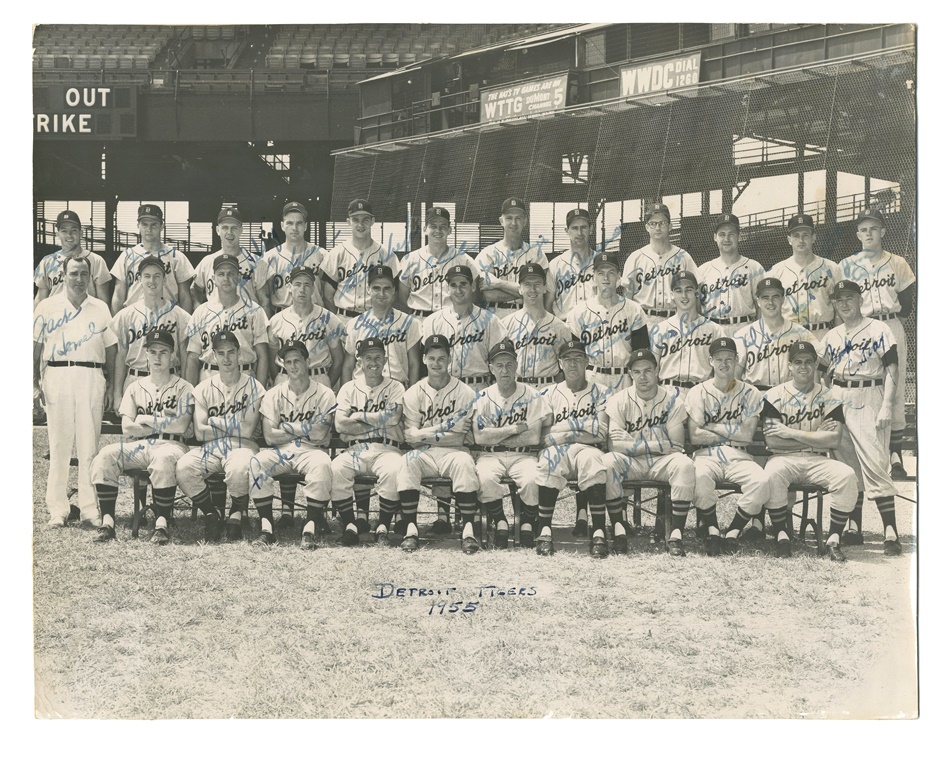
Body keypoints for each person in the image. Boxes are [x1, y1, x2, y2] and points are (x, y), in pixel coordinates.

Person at [818, 280, 902, 555]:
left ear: (859, 299)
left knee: (875, 462)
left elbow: (891, 369)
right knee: (847, 466)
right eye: (839, 299)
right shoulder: (831, 335)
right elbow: (820, 370)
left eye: (849, 298)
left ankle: (891, 531)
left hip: (869, 395)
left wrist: (887, 404)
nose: (844, 304)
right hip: (839, 395)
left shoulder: (879, 329)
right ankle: (854, 528)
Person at [34, 256, 118, 527]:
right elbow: (34, 346)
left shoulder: (100, 308)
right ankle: (58, 509)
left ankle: (89, 508)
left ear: (90, 276)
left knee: (88, 447)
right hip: (57, 375)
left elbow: (112, 349)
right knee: (59, 445)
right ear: (63, 274)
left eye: (84, 274)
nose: (79, 279)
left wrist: (111, 384)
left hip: (92, 376)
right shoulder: (47, 306)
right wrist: (33, 383)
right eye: (73, 273)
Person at [89, 331, 195, 545]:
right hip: (140, 445)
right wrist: (161, 422)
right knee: (105, 456)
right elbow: (127, 427)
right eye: (153, 352)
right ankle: (108, 522)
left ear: (172, 356)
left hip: (172, 444)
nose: (157, 357)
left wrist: (146, 418)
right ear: (146, 355)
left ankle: (162, 523)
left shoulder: (184, 387)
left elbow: (182, 425)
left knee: (163, 458)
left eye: (163, 352)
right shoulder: (135, 387)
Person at [761, 341, 858, 561]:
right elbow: (772, 442)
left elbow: (833, 440)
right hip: (784, 459)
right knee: (772, 474)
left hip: (818, 460)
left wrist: (789, 431)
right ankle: (782, 536)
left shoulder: (830, 396)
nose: (803, 366)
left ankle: (833, 539)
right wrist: (815, 438)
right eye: (798, 362)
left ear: (815, 365)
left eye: (808, 362)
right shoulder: (774, 395)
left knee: (847, 476)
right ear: (790, 366)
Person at [840, 208, 916, 479]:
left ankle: (896, 457)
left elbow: (907, 302)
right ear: (858, 234)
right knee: (869, 387)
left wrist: (893, 324)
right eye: (864, 229)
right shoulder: (846, 265)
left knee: (893, 389)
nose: (869, 233)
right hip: (861, 326)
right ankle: (869, 453)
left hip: (891, 322)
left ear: (883, 231)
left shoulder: (898, 262)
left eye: (873, 228)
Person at [602, 349, 696, 556]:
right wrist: (653, 445)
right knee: (608, 462)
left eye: (647, 371)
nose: (642, 377)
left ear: (657, 371)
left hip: (661, 463)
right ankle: (618, 529)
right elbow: (614, 446)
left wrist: (633, 443)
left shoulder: (672, 401)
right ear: (630, 374)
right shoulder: (618, 400)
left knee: (684, 464)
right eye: (637, 372)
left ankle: (676, 534)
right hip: (632, 462)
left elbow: (677, 444)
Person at [175, 330, 265, 542]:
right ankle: (211, 514)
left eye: (231, 353)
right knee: (184, 468)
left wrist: (215, 421)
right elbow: (200, 432)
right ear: (214, 355)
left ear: (239, 354)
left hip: (243, 446)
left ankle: (235, 512)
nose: (226, 358)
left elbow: (246, 431)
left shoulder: (254, 386)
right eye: (221, 353)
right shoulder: (203, 388)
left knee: (239, 468)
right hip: (212, 447)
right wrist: (231, 424)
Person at [684, 337, 770, 555]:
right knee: (700, 478)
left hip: (739, 456)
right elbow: (695, 436)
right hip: (706, 455)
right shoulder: (697, 392)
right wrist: (733, 433)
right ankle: (713, 531)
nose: (724, 364)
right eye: (719, 359)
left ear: (737, 360)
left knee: (761, 481)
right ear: (711, 361)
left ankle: (732, 532)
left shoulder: (751, 393)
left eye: (729, 359)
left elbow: (747, 435)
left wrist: (712, 425)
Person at [396, 334, 480, 554]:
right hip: (424, 453)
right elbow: (411, 439)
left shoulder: (465, 392)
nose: (436, 363)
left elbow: (459, 438)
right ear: (424, 360)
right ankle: (411, 529)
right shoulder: (414, 392)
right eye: (431, 358)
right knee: (407, 461)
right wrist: (441, 431)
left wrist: (423, 434)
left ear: (449, 359)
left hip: (454, 451)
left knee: (464, 463)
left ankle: (468, 531)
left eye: (441, 358)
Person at [249, 340, 337, 550]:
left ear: (307, 361)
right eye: (288, 362)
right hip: (281, 451)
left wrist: (286, 427)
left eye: (297, 360)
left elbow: (320, 433)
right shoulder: (273, 394)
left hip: (312, 451)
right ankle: (267, 528)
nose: (293, 366)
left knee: (323, 465)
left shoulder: (325, 393)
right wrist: (305, 429)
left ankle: (310, 527)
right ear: (284, 365)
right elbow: (270, 437)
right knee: (257, 462)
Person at [534, 340, 611, 557]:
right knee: (550, 459)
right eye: (567, 359)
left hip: (589, 448)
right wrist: (583, 426)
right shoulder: (548, 393)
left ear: (587, 361)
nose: (573, 364)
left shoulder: (602, 391)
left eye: (578, 358)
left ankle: (598, 531)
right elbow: (544, 435)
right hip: (560, 448)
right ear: (560, 364)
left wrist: (565, 432)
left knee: (594, 461)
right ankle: (545, 530)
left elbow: (601, 432)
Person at [331, 337, 406, 546]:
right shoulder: (348, 388)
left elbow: (393, 418)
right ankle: (350, 526)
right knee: (336, 468)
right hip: (355, 449)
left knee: (394, 470)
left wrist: (359, 416)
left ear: (385, 359)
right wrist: (378, 421)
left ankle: (383, 525)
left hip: (387, 449)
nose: (373, 362)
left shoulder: (396, 387)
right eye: (368, 357)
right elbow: (340, 425)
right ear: (359, 361)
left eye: (378, 357)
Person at [472, 339, 546, 549]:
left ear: (516, 365)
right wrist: (513, 429)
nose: (505, 370)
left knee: (533, 480)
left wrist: (494, 434)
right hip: (490, 455)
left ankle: (526, 524)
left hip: (523, 455)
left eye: (509, 364)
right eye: (499, 365)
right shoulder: (483, 397)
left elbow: (533, 437)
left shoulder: (532, 395)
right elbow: (480, 438)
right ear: (491, 368)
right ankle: (501, 521)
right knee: (484, 478)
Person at [110, 255, 190, 410]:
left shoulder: (180, 316)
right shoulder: (126, 315)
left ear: (165, 280)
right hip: (135, 379)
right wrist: (117, 394)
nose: (151, 281)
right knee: (135, 431)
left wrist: (186, 391)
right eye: (147, 276)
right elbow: (121, 355)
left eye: (157, 276)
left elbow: (185, 357)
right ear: (139, 279)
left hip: (170, 381)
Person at [565, 252, 649, 396]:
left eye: (611, 273)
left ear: (618, 277)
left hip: (624, 379)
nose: (606, 278)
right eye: (600, 273)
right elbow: (574, 355)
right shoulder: (578, 312)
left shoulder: (634, 310)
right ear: (593, 277)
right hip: (592, 377)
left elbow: (640, 352)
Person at [184, 254, 269, 386]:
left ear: (239, 278)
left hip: (244, 377)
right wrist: (191, 395)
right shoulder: (201, 312)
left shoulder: (255, 310)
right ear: (213, 279)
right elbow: (193, 357)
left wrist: (260, 392)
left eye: (231, 274)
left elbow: (263, 355)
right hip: (209, 377)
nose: (226, 278)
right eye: (221, 274)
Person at [421, 264, 505, 391]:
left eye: (463, 284)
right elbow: (425, 364)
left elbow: (499, 361)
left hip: (478, 387)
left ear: (472, 286)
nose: (458, 290)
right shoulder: (432, 321)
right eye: (453, 285)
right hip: (444, 387)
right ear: (447, 288)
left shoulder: (490, 321)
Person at [620, 201, 698, 330]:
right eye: (653, 223)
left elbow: (695, 293)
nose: (657, 227)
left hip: (675, 320)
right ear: (647, 227)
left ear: (670, 226)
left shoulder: (683, 257)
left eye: (662, 223)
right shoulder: (636, 258)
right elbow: (627, 296)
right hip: (643, 320)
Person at [342, 265, 423, 388]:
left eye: (386, 288)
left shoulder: (410, 323)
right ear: (368, 289)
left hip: (397, 388)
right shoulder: (354, 324)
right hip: (362, 389)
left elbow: (414, 364)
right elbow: (348, 366)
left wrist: (412, 395)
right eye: (376, 288)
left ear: (393, 290)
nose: (381, 293)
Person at [320, 199, 398, 323]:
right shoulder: (337, 253)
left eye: (365, 220)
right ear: (348, 222)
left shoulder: (386, 255)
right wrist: (338, 321)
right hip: (344, 318)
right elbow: (328, 296)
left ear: (372, 221)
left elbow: (394, 293)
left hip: (375, 319)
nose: (360, 225)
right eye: (355, 220)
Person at [768, 214, 842, 341]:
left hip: (822, 333)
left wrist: (838, 338)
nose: (801, 240)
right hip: (788, 334)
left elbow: (839, 308)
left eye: (805, 235)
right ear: (789, 239)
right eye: (796, 236)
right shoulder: (776, 271)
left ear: (813, 238)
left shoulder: (831, 268)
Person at [267, 267, 344, 389]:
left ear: (313, 289)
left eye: (307, 285)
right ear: (289, 287)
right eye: (297, 284)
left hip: (318, 376)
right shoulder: (276, 321)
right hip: (285, 378)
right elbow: (272, 360)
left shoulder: (328, 318)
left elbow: (339, 359)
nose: (302, 289)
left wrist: (327, 385)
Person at [111, 204, 195, 314]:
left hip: (168, 316)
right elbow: (118, 295)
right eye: (144, 224)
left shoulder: (176, 256)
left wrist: (184, 324)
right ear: (138, 226)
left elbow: (184, 296)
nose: (149, 229)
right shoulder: (127, 256)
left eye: (154, 225)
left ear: (161, 226)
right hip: (134, 317)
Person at [734, 277, 814, 391]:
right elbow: (735, 376)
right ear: (758, 301)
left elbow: (814, 372)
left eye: (775, 297)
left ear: (783, 299)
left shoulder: (801, 334)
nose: (770, 302)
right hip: (756, 397)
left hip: (790, 396)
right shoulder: (743, 335)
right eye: (765, 298)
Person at [397, 206, 480, 319]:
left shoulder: (464, 260)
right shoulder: (410, 259)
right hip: (419, 319)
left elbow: (473, 295)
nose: (438, 230)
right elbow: (402, 297)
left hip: (452, 319)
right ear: (425, 229)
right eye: (433, 226)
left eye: (443, 227)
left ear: (449, 230)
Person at [650, 271, 724, 394]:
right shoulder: (660, 329)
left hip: (701, 391)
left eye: (689, 290)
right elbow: (653, 369)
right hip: (668, 391)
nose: (684, 295)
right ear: (672, 294)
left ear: (697, 293)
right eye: (678, 291)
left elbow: (721, 369)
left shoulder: (714, 330)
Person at [499, 263, 571, 389]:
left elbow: (565, 367)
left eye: (537, 284)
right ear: (520, 289)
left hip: (548, 388)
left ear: (544, 288)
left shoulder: (560, 327)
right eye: (527, 284)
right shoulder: (505, 324)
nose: (532, 289)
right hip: (516, 388)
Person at [475, 198, 548, 319]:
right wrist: (525, 292)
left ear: (525, 221)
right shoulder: (487, 254)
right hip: (494, 314)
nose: (514, 223)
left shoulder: (537, 255)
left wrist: (498, 283)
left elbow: (539, 292)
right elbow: (486, 295)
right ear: (501, 221)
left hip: (527, 316)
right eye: (509, 218)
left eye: (518, 218)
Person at [696, 213, 765, 337]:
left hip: (745, 328)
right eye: (722, 234)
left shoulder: (754, 268)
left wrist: (759, 332)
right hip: (712, 329)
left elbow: (761, 305)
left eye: (731, 234)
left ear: (739, 236)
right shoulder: (703, 270)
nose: (726, 239)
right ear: (715, 237)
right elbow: (697, 307)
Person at [255, 201, 326, 317]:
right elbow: (265, 301)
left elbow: (327, 295)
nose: (294, 228)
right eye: (290, 223)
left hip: (314, 317)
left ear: (305, 226)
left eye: (299, 223)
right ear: (282, 226)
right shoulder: (268, 258)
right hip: (282, 316)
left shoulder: (322, 255)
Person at [34, 209, 112, 310]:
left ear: (81, 233)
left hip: (86, 318)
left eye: (74, 230)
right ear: (58, 234)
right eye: (64, 231)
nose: (69, 235)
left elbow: (103, 301)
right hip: (55, 319)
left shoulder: (96, 260)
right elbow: (40, 298)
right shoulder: (47, 261)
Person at [191, 207, 260, 307]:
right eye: (225, 228)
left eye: (234, 228)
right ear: (218, 230)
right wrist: (199, 309)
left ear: (241, 230)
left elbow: (265, 301)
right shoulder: (207, 262)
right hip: (215, 319)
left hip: (246, 319)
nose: (229, 232)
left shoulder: (256, 262)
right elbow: (194, 289)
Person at [545, 208, 598, 320]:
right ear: (567, 231)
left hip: (596, 327)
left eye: (583, 227)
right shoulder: (555, 265)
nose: (579, 233)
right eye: (574, 228)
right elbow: (547, 305)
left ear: (591, 229)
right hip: (565, 326)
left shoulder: (601, 262)